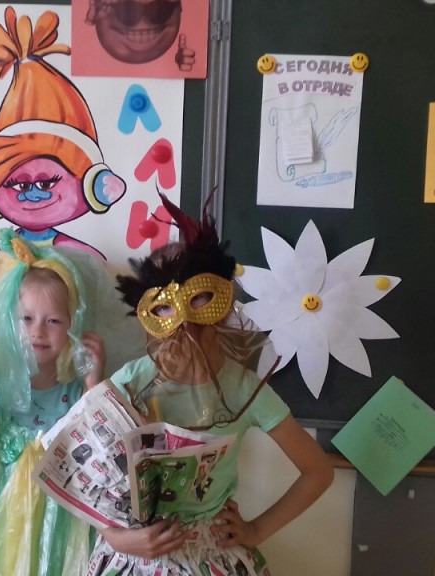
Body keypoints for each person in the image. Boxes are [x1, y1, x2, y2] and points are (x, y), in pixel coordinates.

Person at [90, 194, 335, 575]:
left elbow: (318, 471)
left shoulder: (245, 390)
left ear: (222, 305)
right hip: (135, 555)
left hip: (211, 555)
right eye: (164, 307)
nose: (184, 321)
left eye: (199, 300)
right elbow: (93, 478)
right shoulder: (131, 383)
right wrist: (116, 537)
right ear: (148, 314)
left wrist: (257, 530)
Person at [0, 228, 142, 576]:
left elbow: (105, 462)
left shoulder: (77, 395)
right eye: (26, 318)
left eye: (54, 321)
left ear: (74, 326)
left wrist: (94, 382)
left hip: (64, 538)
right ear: (7, 322)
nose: (38, 330)